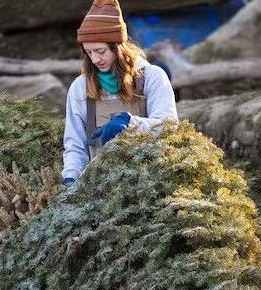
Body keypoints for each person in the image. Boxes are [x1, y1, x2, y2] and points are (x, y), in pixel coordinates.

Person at [62, 0, 178, 185]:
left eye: (100, 51)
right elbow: (75, 145)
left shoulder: (152, 77)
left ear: (118, 47)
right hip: (101, 185)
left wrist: (129, 123)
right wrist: (71, 177)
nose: (95, 59)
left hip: (150, 181)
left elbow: (169, 127)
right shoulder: (80, 87)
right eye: (89, 53)